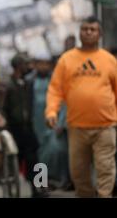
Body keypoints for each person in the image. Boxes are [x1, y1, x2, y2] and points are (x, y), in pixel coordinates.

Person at [45, 16, 117, 197]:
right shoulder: (66, 60)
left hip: (105, 127)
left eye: (93, 29)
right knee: (78, 172)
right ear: (80, 32)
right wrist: (52, 111)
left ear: (99, 34)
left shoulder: (109, 60)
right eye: (85, 29)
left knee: (105, 168)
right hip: (77, 127)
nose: (88, 32)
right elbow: (55, 89)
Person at [2, 53, 49, 198]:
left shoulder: (28, 84)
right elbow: (3, 108)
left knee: (34, 159)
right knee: (17, 159)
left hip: (28, 127)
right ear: (18, 67)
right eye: (25, 65)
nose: (29, 67)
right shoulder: (7, 86)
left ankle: (39, 188)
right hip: (14, 129)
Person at [31, 54, 70, 190]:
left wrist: (61, 122)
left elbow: (65, 103)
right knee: (39, 154)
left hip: (54, 123)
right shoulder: (30, 81)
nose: (43, 67)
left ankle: (62, 180)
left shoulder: (57, 81)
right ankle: (40, 183)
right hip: (36, 123)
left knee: (58, 151)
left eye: (46, 64)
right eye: (40, 64)